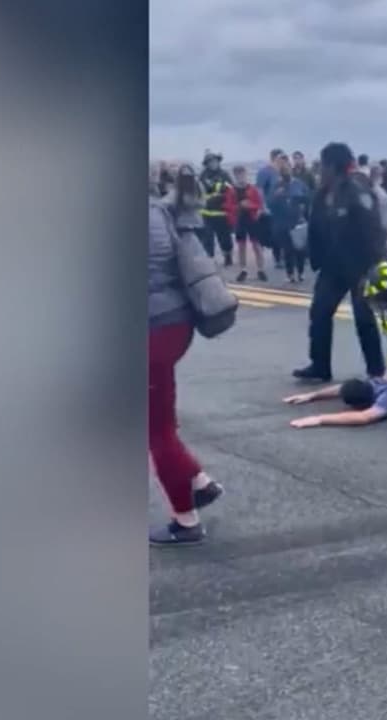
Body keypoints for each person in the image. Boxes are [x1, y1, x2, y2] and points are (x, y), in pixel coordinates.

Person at [147, 197, 225, 545]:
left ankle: (186, 520)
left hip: (153, 326)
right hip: (175, 322)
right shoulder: (156, 209)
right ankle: (198, 483)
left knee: (156, 432)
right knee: (160, 419)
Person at [292, 141, 387, 382]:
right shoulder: (322, 193)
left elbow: (374, 231)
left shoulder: (358, 190)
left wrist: (376, 269)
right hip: (332, 266)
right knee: (320, 312)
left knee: (364, 318)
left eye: (323, 165)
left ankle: (376, 370)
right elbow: (317, 227)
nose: (319, 170)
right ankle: (320, 365)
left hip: (360, 266)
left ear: (333, 166)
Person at [268, 161, 311, 284]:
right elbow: (269, 203)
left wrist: (303, 208)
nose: (285, 173)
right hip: (283, 222)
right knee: (287, 250)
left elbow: (308, 198)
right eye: (283, 171)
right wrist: (276, 196)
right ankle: (290, 274)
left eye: (287, 170)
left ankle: (301, 273)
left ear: (291, 170)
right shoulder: (276, 185)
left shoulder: (299, 184)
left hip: (298, 221)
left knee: (300, 249)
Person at [199, 151, 236, 264]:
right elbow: (199, 192)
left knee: (225, 239)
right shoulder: (202, 176)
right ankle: (209, 260)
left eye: (215, 161)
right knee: (207, 239)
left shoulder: (224, 175)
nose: (213, 163)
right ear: (207, 164)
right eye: (210, 162)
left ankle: (228, 256)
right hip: (206, 213)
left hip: (221, 213)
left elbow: (232, 191)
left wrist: (222, 195)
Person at [231, 165, 267, 282]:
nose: (241, 177)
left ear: (245, 175)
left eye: (242, 175)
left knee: (256, 245)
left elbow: (260, 205)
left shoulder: (253, 189)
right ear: (235, 176)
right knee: (241, 246)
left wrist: (250, 206)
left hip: (252, 219)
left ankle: (261, 270)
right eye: (238, 175)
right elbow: (229, 206)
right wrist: (239, 206)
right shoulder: (232, 190)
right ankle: (243, 270)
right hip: (240, 220)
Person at [161, 164, 205, 244]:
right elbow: (166, 201)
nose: (186, 178)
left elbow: (203, 203)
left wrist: (193, 203)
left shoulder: (198, 186)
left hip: (197, 223)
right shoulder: (177, 188)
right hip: (183, 225)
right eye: (184, 175)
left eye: (189, 175)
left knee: (200, 251)